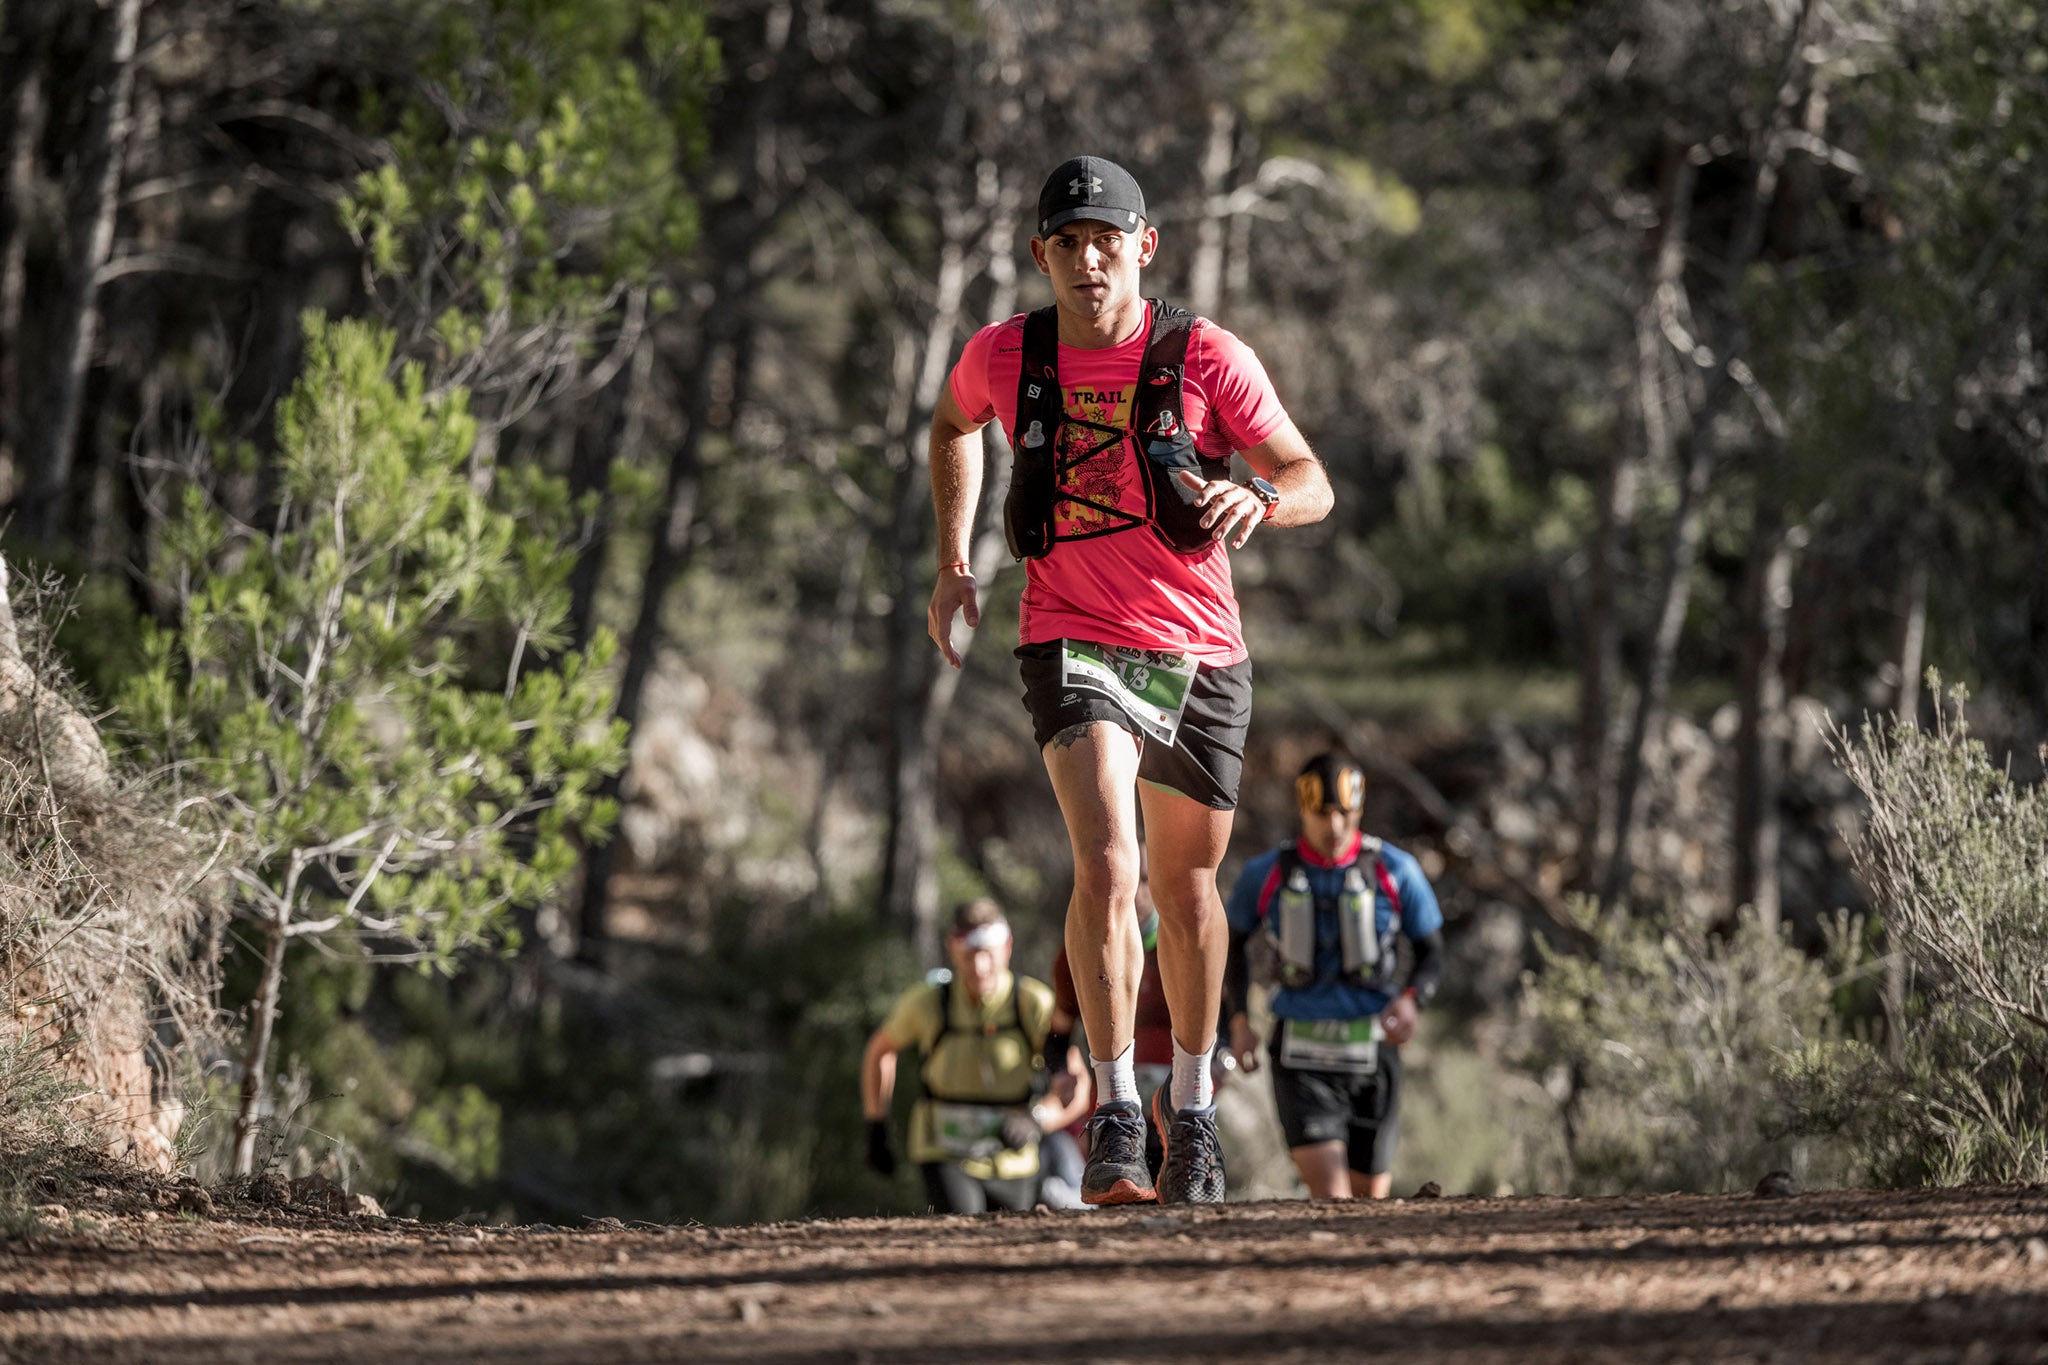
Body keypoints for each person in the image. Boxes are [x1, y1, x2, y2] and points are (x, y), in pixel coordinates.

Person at [927, 154, 1334, 1204]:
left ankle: (1187, 1114)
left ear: (1142, 246)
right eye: (1065, 242)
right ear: (1041, 256)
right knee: (1106, 861)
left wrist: (1262, 501)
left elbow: (1308, 479)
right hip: (1069, 637)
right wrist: (954, 562)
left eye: (1105, 239)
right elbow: (949, 426)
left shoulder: (1204, 357)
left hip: (1197, 649)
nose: (1086, 258)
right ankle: (1113, 1111)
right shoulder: (1005, 356)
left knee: (1183, 889)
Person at [1223, 750, 1446, 1200]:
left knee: (1369, 1200)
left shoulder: (1395, 870)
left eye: (1344, 813)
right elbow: (1229, 947)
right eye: (1322, 814)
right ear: (1303, 810)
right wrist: (1239, 1024)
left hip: (1372, 1054)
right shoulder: (1266, 874)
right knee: (1333, 1199)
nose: (1334, 826)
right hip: (1300, 1057)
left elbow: (1431, 952)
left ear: (1359, 810)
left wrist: (1411, 1000)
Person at [861, 899, 1088, 1213]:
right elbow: (880, 1051)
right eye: (970, 954)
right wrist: (876, 1123)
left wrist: (1037, 1120)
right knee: (959, 1231)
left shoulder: (1032, 1003)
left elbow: (1077, 1084)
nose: (980, 967)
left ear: (1007, 947)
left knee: (1006, 1249)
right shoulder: (928, 1003)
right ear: (952, 949)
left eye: (988, 954)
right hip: (943, 1152)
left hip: (1013, 1161)